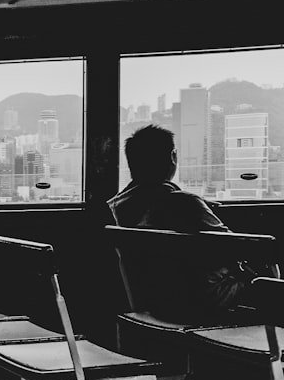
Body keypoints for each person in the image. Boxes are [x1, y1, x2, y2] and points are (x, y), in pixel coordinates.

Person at [108, 124, 258, 323]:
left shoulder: (119, 208)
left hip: (156, 305)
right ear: (172, 156)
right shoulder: (184, 203)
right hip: (204, 303)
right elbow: (238, 247)